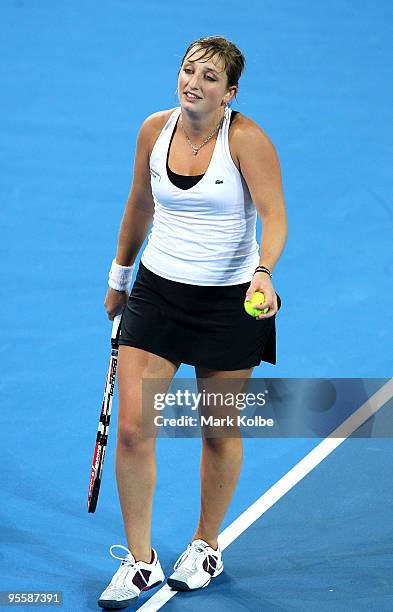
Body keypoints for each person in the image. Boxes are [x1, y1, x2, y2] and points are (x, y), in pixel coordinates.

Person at [98, 35, 288, 609]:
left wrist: (263, 272)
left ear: (229, 93)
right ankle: (139, 562)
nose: (194, 83)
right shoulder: (154, 130)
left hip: (229, 300)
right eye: (188, 70)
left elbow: (276, 218)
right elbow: (139, 203)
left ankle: (206, 545)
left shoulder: (247, 141)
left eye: (209, 77)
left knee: (217, 428)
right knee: (133, 428)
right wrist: (119, 275)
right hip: (158, 292)